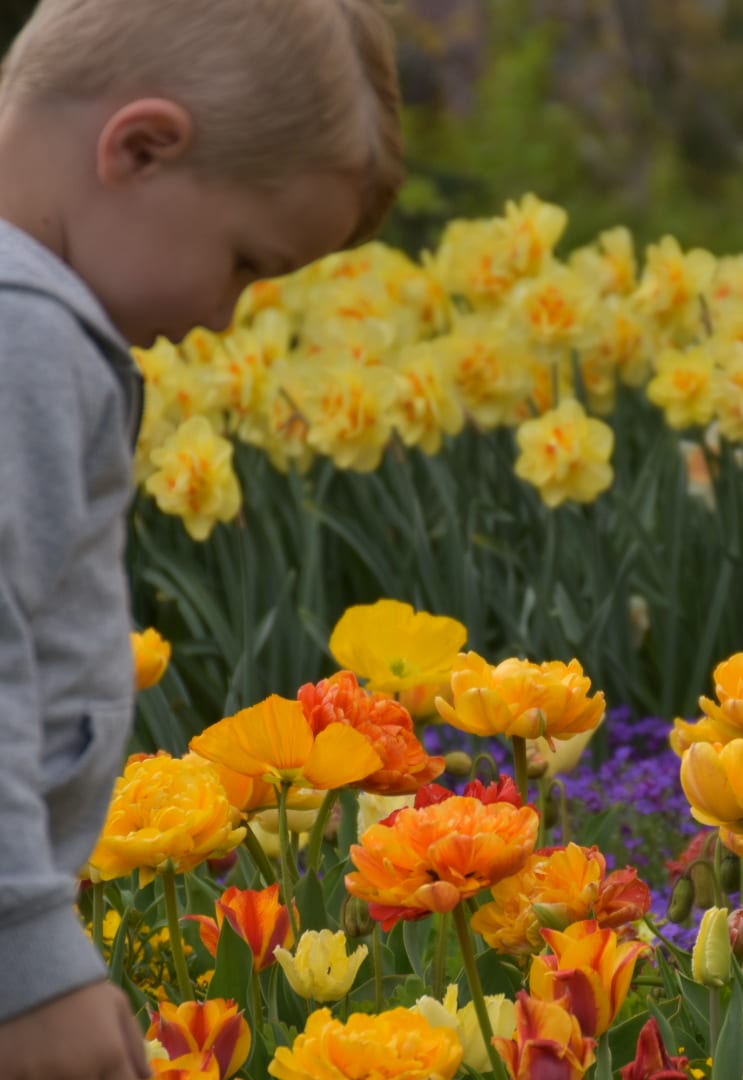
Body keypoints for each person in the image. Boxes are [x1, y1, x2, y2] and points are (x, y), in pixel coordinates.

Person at [0, 1, 403, 1075]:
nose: (227, 320)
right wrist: (24, 960)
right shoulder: (25, 336)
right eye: (241, 262)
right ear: (138, 149)